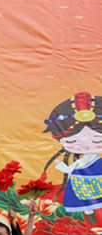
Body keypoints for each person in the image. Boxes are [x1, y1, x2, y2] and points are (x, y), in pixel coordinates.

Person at [43, 92, 102, 220]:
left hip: (97, 185)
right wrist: (61, 165)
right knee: (84, 205)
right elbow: (70, 170)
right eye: (71, 141)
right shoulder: (79, 162)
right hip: (79, 186)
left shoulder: (98, 161)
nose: (84, 147)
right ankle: (89, 216)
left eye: (97, 140)